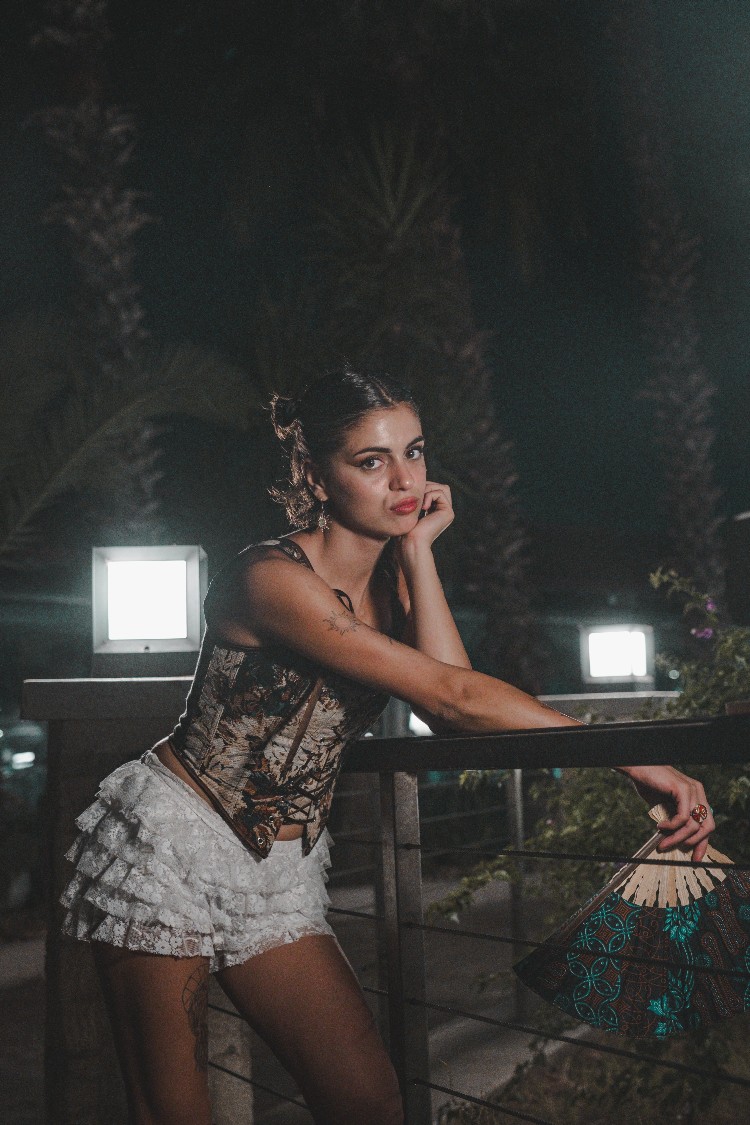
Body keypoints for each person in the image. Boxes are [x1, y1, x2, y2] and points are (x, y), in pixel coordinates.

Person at [60, 367, 715, 1125]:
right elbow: (452, 696)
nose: (405, 480)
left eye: (415, 451)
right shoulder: (269, 577)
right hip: (173, 842)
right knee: (175, 1112)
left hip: (279, 873)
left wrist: (419, 555)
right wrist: (629, 757)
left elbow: (451, 706)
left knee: (367, 1101)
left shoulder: (391, 591)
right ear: (315, 476)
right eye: (371, 461)